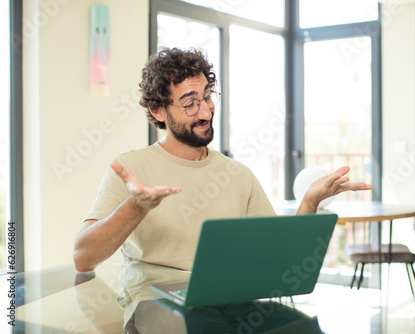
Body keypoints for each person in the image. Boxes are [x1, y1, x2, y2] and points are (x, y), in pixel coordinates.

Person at [73, 47, 373, 273]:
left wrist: (310, 202)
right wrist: (135, 207)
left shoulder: (238, 175)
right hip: (154, 308)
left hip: (227, 307)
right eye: (190, 104)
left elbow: (282, 259)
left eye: (207, 97)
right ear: (158, 110)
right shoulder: (131, 168)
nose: (205, 112)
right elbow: (83, 258)